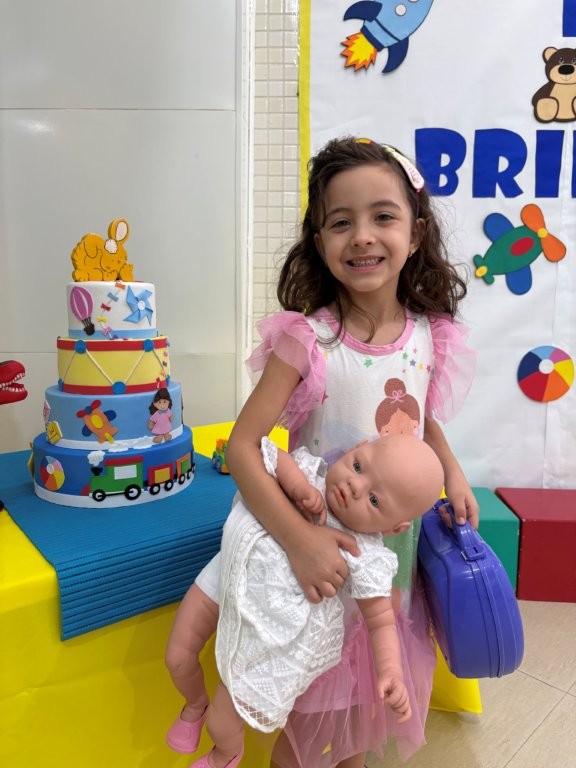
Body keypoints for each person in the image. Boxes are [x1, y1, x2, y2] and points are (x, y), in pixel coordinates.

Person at [166, 136, 478, 768]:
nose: (362, 236)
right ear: (318, 240)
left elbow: (418, 419)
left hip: (385, 562)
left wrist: (452, 469)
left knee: (361, 712)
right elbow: (243, 446)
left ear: (415, 233)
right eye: (341, 222)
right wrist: (300, 541)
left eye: (382, 216)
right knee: (304, 721)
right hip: (305, 566)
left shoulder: (430, 335)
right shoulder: (308, 339)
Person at [166, 433, 444, 768]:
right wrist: (296, 486)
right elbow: (267, 454)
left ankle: (224, 754)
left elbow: (381, 620)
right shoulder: (310, 473)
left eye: (374, 500)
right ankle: (195, 704)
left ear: (394, 528)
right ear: (355, 449)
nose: (355, 486)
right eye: (358, 466)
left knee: (222, 723)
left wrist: (391, 672)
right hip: (229, 571)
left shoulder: (365, 555)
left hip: (267, 628)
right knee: (177, 657)